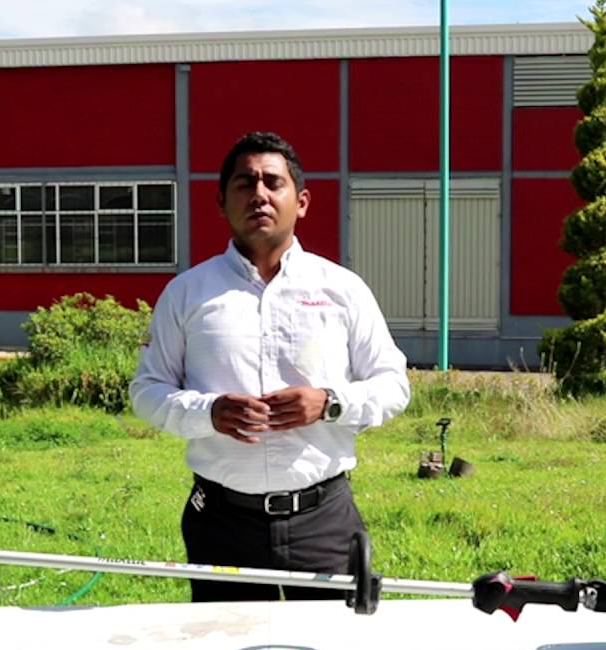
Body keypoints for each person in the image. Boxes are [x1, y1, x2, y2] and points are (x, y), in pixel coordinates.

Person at [129, 131, 410, 601]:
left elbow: (393, 385)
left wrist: (329, 403)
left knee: (324, 644)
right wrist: (208, 412)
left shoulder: (342, 289)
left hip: (324, 520)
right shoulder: (188, 293)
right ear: (221, 201)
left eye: (273, 182)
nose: (258, 194)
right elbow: (147, 390)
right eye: (245, 183)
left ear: (301, 202)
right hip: (222, 521)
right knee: (224, 641)